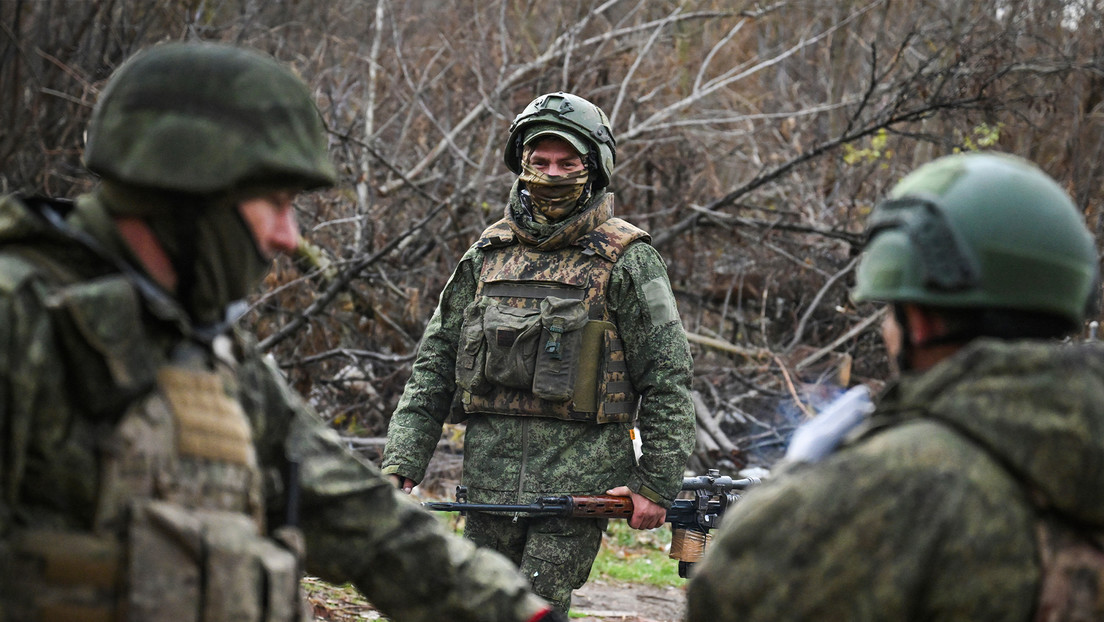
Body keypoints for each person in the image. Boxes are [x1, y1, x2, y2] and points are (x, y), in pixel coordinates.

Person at [0, 41, 566, 622]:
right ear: (187, 188)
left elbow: (355, 512)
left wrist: (519, 615)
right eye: (274, 202)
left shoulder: (206, 349)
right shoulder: (22, 317)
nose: (288, 236)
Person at [686, 151, 1104, 620]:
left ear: (920, 322)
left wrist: (794, 490)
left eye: (889, 311)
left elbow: (729, 599)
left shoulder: (895, 482)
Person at [381, 92, 696, 613]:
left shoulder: (628, 258)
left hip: (579, 487)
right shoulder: (488, 255)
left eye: (567, 162)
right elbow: (434, 365)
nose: (553, 173)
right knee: (479, 605)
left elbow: (668, 376)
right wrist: (403, 460)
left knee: (536, 605)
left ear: (593, 167)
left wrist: (655, 485)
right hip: (489, 482)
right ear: (521, 163)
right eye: (541, 161)